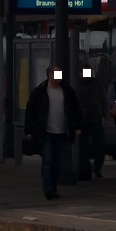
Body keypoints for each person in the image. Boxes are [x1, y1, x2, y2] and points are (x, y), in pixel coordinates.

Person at [23, 65, 83, 200]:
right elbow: (31, 111)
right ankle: (48, 188)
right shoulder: (40, 92)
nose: (59, 77)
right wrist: (29, 130)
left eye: (60, 74)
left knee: (59, 162)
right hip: (47, 132)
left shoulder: (67, 91)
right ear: (49, 75)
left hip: (63, 131)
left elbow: (75, 109)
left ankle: (53, 187)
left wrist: (78, 126)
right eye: (56, 74)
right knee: (48, 160)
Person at [78, 69, 108, 178]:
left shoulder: (97, 84)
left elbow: (103, 100)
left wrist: (106, 116)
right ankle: (86, 168)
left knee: (100, 145)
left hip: (96, 119)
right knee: (83, 146)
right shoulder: (77, 84)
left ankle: (97, 167)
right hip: (83, 120)